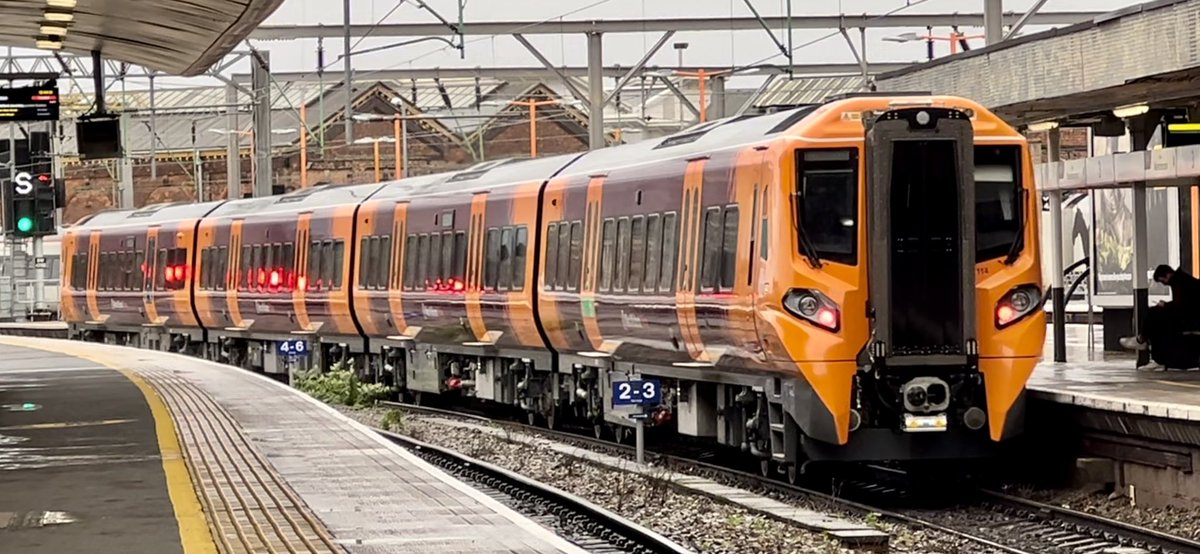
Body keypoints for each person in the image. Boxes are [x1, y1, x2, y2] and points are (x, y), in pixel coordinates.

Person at [1119, 265, 1200, 370]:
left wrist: (1165, 305)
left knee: (1154, 315)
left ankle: (1143, 342)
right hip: (1192, 316)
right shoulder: (1182, 279)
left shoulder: (1179, 282)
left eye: (1163, 281)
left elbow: (1182, 305)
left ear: (1167, 275)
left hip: (1192, 319)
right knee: (1156, 317)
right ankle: (1147, 346)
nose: (1164, 284)